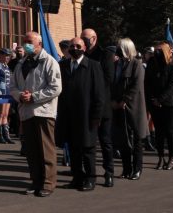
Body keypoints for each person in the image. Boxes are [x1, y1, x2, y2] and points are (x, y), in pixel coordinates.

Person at [10, 31, 62, 197]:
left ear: (39, 43)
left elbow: (55, 88)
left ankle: (48, 183)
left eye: (29, 41)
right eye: (24, 41)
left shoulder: (49, 62)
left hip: (43, 112)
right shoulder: (20, 64)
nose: (26, 44)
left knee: (46, 150)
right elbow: (12, 87)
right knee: (32, 151)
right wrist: (20, 96)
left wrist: (34, 96)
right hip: (26, 112)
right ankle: (36, 181)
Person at [56, 36, 106, 191]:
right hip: (68, 116)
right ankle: (77, 178)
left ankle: (90, 178)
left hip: (86, 116)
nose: (74, 49)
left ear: (84, 48)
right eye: (72, 46)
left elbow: (99, 94)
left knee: (88, 149)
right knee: (73, 149)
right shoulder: (62, 65)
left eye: (78, 46)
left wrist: (97, 116)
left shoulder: (93, 66)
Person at [82, 28, 115, 186]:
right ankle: (90, 173)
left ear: (94, 38)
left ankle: (109, 172)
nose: (83, 41)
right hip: (86, 106)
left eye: (86, 38)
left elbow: (108, 79)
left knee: (105, 141)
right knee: (89, 142)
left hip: (102, 105)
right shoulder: (82, 55)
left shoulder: (105, 55)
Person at [111, 38, 147, 180]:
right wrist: (113, 101)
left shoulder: (136, 64)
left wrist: (124, 100)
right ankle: (126, 168)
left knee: (137, 139)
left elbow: (136, 85)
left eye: (120, 47)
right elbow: (113, 84)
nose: (117, 49)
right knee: (123, 139)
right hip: (118, 107)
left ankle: (137, 169)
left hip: (133, 107)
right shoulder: (117, 64)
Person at [145, 42, 173, 170]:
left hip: (167, 103)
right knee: (158, 132)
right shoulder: (152, 64)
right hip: (154, 103)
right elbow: (147, 83)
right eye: (156, 51)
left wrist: (160, 99)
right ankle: (160, 157)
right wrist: (152, 99)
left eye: (160, 51)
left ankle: (172, 158)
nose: (157, 53)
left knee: (170, 131)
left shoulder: (172, 65)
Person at [0, 49, 14, 143]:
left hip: (8, 91)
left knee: (6, 114)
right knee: (0, 114)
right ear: (1, 56)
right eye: (5, 55)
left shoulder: (7, 67)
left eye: (8, 56)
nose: (7, 57)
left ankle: (6, 135)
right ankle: (0, 135)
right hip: (1, 91)